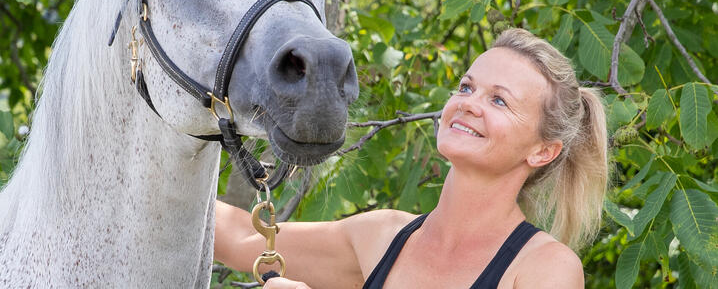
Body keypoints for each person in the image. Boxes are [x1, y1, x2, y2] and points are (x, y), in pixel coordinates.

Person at [214, 28, 608, 289]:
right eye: (466, 86)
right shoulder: (382, 238)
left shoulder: (544, 269)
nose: (468, 104)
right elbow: (241, 238)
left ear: (543, 151)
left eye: (499, 100)